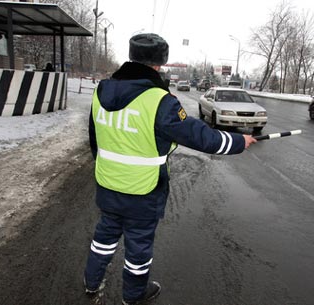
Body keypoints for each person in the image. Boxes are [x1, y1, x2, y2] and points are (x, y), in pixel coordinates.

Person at [83, 33, 257, 305]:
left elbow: (94, 139)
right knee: (138, 248)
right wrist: (238, 141)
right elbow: (202, 137)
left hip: (107, 184)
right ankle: (133, 295)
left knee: (104, 236)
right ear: (159, 65)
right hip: (143, 189)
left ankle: (91, 282)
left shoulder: (101, 91)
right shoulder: (159, 101)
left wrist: (108, 167)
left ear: (131, 57)